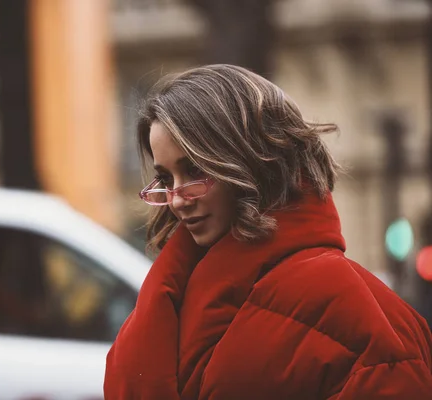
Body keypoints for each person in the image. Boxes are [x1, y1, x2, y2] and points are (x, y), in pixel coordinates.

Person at [104, 64, 432, 399]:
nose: (176, 199)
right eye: (165, 178)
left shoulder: (368, 315)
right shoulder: (170, 294)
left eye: (195, 170)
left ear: (251, 162)